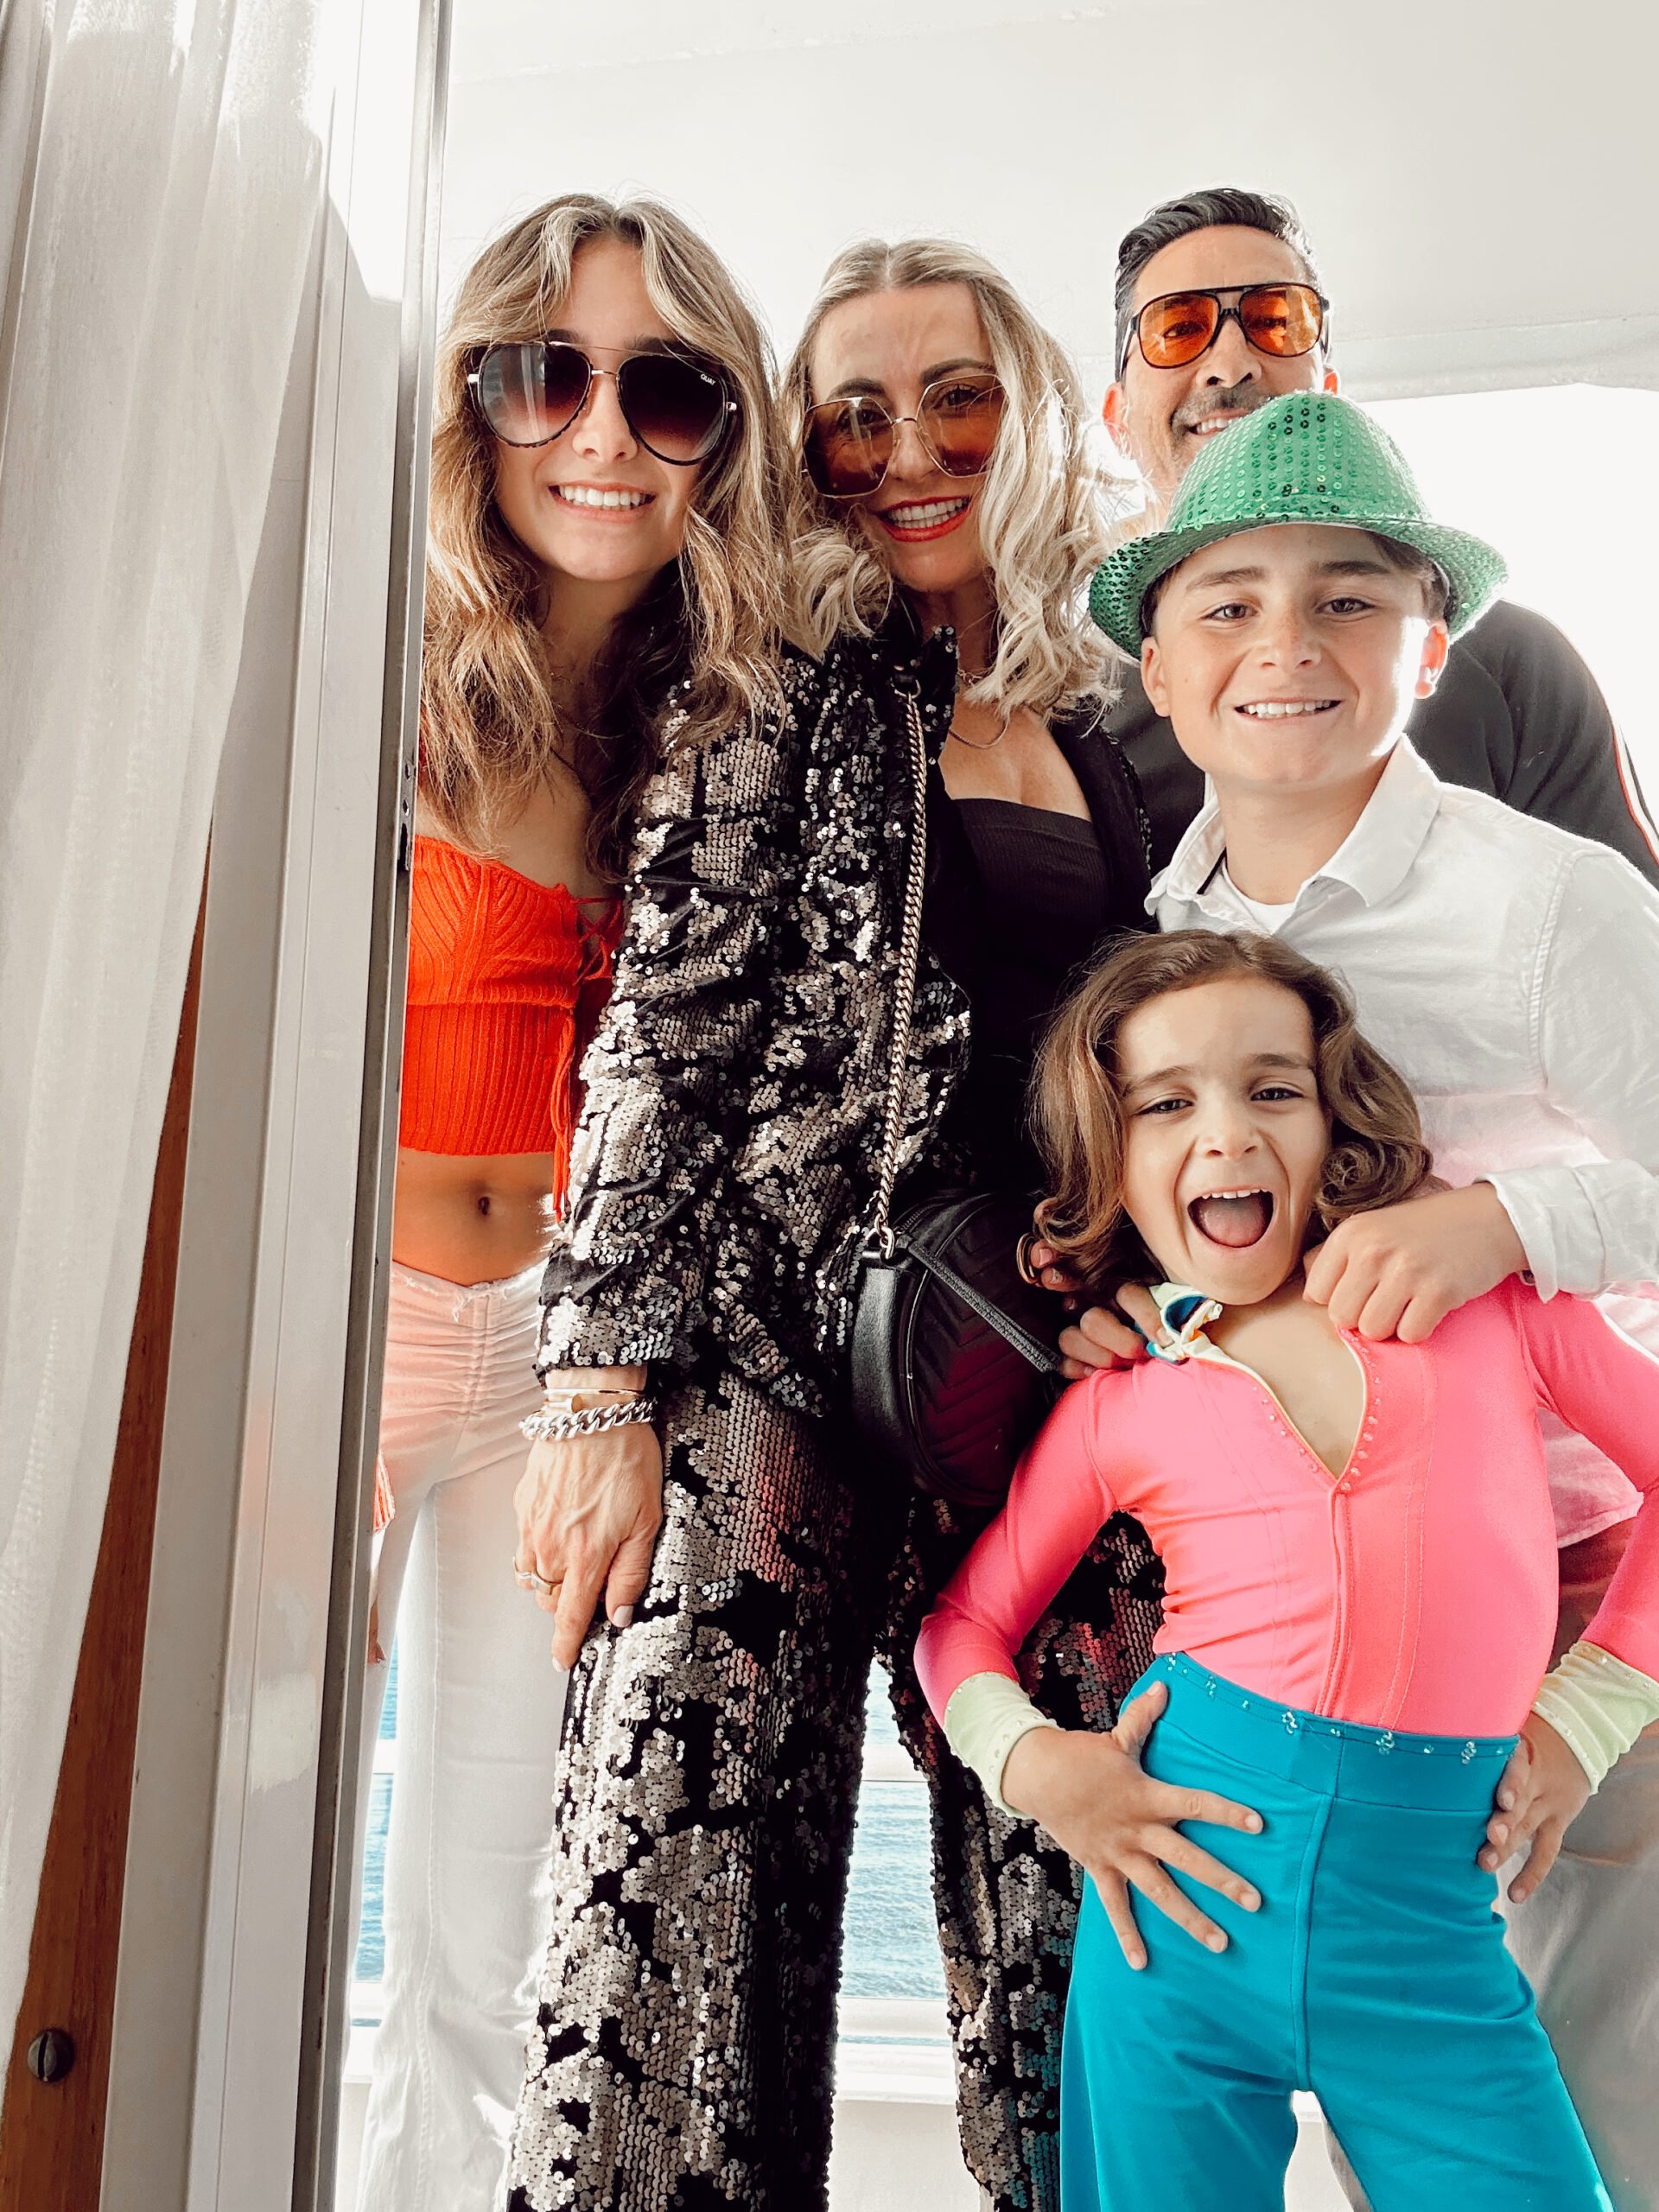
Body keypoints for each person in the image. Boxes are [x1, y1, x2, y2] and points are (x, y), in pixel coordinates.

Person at [507, 238, 1151, 2212]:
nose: (903, 449)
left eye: (949, 394)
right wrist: (598, 1382)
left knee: (1086, 1906)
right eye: (850, 411)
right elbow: (668, 1033)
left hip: (1040, 1380)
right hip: (762, 1358)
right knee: (678, 1922)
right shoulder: (771, 675)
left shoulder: (1133, 705)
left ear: (1028, 404)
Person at [1085, 388, 1659, 2204]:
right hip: (1298, 1630)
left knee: (1567, 2126)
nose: (1287, 642)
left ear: (1429, 646)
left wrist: (1513, 1229)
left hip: (1576, 1602)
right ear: (1163, 676)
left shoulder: (1550, 907)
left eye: (1347, 596)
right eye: (1231, 601)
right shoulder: (1166, 927)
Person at [918, 925, 1656, 2210]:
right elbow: (962, 1625)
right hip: (1174, 1933)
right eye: (1166, 1103)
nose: (1226, 1135)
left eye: (1272, 1088)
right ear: (1116, 1163)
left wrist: (1587, 1714)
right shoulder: (1119, 1398)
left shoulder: (1487, 1306)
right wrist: (1041, 1769)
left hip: (1426, 1944)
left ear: (1336, 1121)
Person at [355, 192, 787, 2212]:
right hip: (332, 1332)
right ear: (475, 403)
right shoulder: (368, 669)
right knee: (234, 1815)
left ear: (725, 433)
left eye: (666, 386)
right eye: (546, 374)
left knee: (478, 1895)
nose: (599, 433)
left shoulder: (721, 738)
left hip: (563, 1372)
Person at [1096, 185, 1659, 885]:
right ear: (1117, 418)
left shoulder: (1516, 667)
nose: (1231, 363)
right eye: (1178, 328)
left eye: (1276, 321)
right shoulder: (1078, 715)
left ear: (1329, 390)